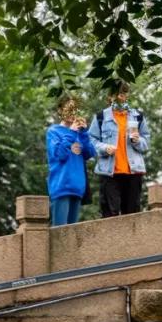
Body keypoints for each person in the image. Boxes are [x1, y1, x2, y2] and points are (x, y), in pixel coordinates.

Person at [89, 82, 150, 218]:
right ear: (110, 97)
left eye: (123, 94)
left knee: (132, 216)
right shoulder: (101, 117)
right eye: (117, 94)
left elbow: (146, 142)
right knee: (110, 215)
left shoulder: (138, 116)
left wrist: (137, 140)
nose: (121, 97)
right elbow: (91, 140)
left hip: (133, 172)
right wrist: (104, 148)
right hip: (110, 173)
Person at [46, 95, 96, 227]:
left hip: (78, 188)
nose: (72, 113)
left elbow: (90, 153)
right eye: (69, 109)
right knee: (60, 233)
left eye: (75, 110)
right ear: (60, 110)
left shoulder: (79, 134)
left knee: (71, 235)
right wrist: (72, 133)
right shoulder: (53, 131)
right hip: (61, 187)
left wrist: (84, 134)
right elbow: (60, 155)